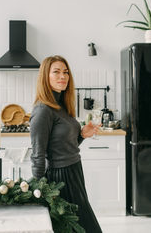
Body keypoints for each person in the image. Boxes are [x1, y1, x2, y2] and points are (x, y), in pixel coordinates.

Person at [30, 55, 102, 233]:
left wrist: (82, 135)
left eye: (65, 72)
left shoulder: (61, 106)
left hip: (74, 171)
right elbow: (38, 154)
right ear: (45, 77)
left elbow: (64, 147)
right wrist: (39, 193)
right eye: (56, 72)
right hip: (60, 178)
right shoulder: (43, 110)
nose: (62, 76)